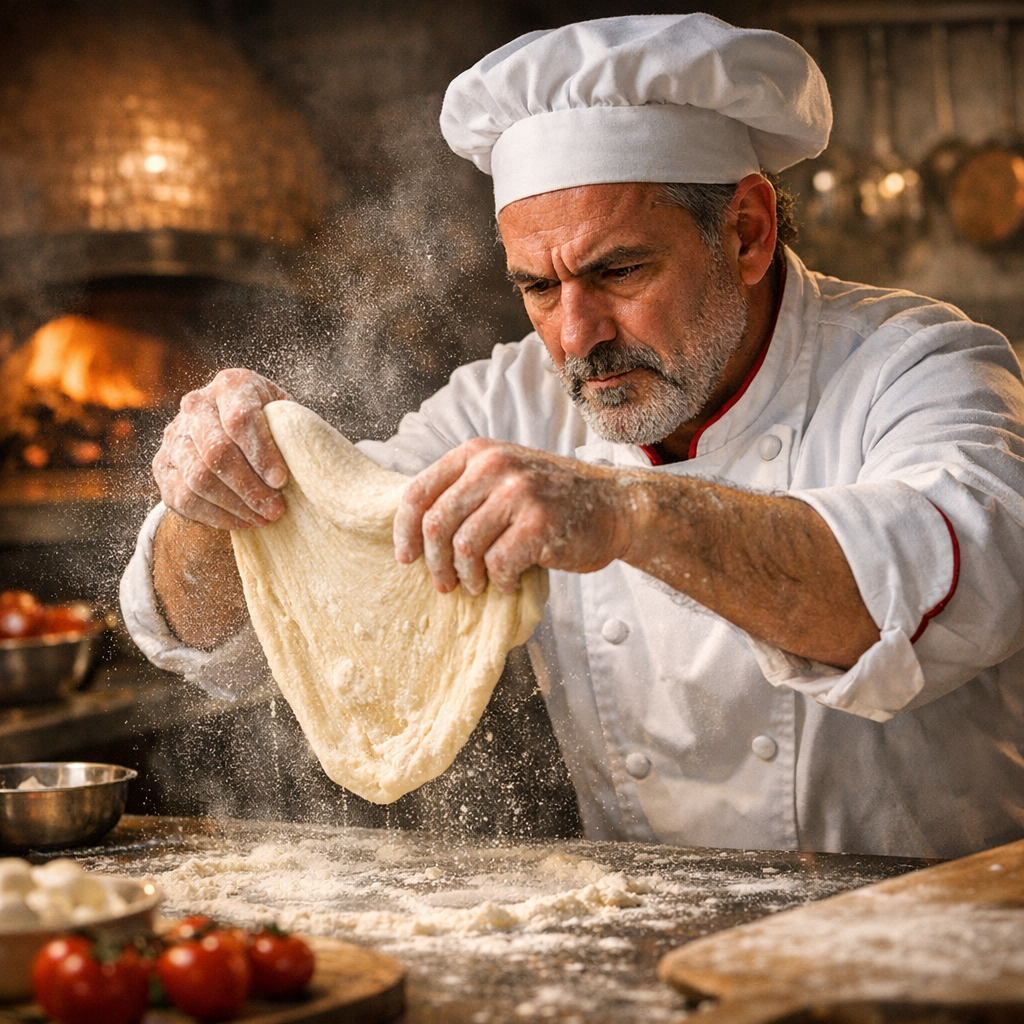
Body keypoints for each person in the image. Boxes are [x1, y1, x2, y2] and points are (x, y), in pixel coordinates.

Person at [121, 14, 1024, 859]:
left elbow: (956, 582)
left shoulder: (923, 364)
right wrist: (219, 495)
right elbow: (247, 618)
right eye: (539, 289)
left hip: (924, 948)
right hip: (651, 947)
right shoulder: (507, 400)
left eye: (620, 270)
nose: (576, 337)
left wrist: (629, 513)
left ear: (746, 232)